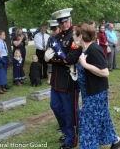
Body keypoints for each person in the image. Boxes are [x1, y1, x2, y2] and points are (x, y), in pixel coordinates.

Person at [74, 22, 120, 149]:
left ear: (80, 36)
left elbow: (105, 72)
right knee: (102, 119)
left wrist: (85, 65)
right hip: (89, 93)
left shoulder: (94, 49)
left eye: (75, 34)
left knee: (87, 123)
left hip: (96, 93)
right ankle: (116, 140)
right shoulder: (85, 50)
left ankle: (89, 146)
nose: (73, 37)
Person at [45, 8, 82, 149]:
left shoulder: (75, 36)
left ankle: (71, 140)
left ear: (70, 20)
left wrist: (53, 59)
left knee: (70, 112)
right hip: (56, 80)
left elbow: (72, 59)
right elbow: (49, 55)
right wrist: (47, 57)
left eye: (66, 21)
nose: (64, 24)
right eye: (61, 22)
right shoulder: (56, 37)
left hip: (69, 81)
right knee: (54, 106)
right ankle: (67, 131)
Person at [46, 20, 60, 84]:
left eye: (55, 29)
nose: (53, 31)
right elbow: (48, 47)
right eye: (52, 30)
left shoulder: (63, 37)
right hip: (52, 58)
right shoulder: (51, 38)